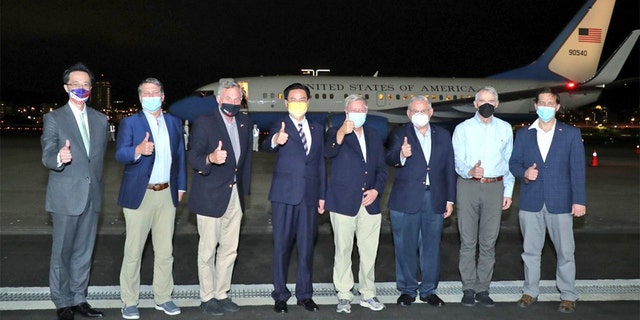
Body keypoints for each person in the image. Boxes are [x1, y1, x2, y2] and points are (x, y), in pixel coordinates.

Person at [509, 88, 586, 313]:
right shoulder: (524, 134)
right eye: (541, 103)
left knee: (565, 252)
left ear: (557, 107)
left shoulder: (571, 133)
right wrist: (524, 173)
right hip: (531, 203)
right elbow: (514, 163)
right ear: (535, 106)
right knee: (530, 251)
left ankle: (568, 294)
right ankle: (530, 291)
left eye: (549, 103)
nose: (545, 107)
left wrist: (579, 200)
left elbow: (577, 170)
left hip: (560, 202)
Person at [41, 62, 108, 320]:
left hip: (92, 197)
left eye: (86, 84)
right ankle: (62, 302)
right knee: (62, 252)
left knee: (84, 252)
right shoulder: (54, 118)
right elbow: (47, 154)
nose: (81, 88)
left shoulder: (100, 120)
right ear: (66, 87)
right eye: (76, 84)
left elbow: (97, 159)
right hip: (66, 197)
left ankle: (79, 298)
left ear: (91, 88)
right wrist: (59, 156)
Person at [116, 78, 187, 319]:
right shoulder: (129, 123)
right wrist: (137, 150)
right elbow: (120, 153)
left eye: (155, 92)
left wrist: (182, 185)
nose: (150, 96)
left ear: (163, 96)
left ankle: (163, 297)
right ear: (140, 98)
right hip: (139, 194)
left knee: (165, 251)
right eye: (146, 93)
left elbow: (180, 156)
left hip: (167, 193)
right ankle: (129, 300)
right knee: (133, 252)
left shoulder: (174, 123)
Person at [188, 79, 253, 316]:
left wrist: (243, 190)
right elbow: (193, 157)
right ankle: (207, 296)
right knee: (207, 250)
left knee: (229, 249)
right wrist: (210, 159)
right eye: (229, 99)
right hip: (209, 195)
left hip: (234, 195)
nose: (234, 103)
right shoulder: (204, 123)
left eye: (238, 99)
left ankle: (222, 293)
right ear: (218, 99)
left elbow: (245, 162)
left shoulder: (245, 122)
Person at [386, 95, 456, 308]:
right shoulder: (400, 133)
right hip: (406, 199)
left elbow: (448, 169)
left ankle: (428, 290)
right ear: (408, 114)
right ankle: (407, 290)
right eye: (415, 111)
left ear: (431, 112)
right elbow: (389, 157)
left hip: (434, 197)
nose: (419, 115)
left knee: (431, 247)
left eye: (423, 111)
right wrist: (401, 154)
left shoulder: (443, 135)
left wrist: (450, 199)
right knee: (404, 246)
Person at [263, 83, 326, 313]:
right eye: (293, 98)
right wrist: (274, 140)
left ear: (308, 102)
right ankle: (280, 295)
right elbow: (266, 146)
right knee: (282, 248)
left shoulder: (318, 128)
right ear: (286, 102)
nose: (297, 102)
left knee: (307, 248)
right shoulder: (280, 125)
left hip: (309, 197)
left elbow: (319, 164)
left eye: (302, 98)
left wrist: (322, 195)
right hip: (284, 196)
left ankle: (304, 294)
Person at [452, 86, 515, 307]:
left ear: (497, 104)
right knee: (468, 241)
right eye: (482, 100)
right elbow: (458, 159)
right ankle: (468, 288)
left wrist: (508, 191)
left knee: (488, 242)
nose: (486, 104)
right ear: (475, 104)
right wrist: (469, 170)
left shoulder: (506, 129)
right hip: (468, 186)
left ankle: (483, 289)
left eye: (491, 100)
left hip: (495, 187)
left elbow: (509, 163)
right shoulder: (463, 128)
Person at [324, 94, 388, 313]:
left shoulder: (374, 136)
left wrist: (376, 190)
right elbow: (329, 151)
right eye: (353, 110)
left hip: (369, 203)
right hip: (343, 203)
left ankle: (368, 294)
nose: (358, 113)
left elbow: (382, 169)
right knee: (343, 250)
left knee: (369, 252)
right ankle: (343, 294)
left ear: (367, 112)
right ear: (346, 112)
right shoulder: (335, 133)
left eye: (361, 110)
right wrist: (342, 131)